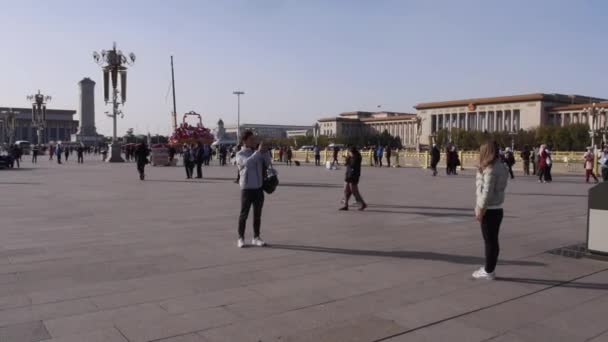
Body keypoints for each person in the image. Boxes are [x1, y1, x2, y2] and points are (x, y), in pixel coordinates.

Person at [473, 140, 509, 280]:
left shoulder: (490, 169)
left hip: (489, 209)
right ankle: (490, 269)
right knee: (493, 241)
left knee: (490, 242)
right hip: (498, 208)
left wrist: (480, 209)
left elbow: (486, 192)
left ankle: (488, 271)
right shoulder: (501, 166)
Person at [236, 130, 271, 248]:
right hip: (246, 189)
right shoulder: (240, 154)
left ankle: (256, 237)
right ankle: (241, 238)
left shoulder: (258, 153)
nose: (253, 141)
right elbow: (247, 163)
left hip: (258, 188)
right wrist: (258, 152)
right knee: (243, 214)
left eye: (254, 139)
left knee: (257, 215)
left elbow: (268, 163)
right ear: (244, 141)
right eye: (251, 139)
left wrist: (265, 152)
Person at [339, 146, 367, 211]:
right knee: (346, 190)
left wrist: (348, 159)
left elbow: (353, 165)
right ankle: (345, 205)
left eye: (349, 152)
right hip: (348, 175)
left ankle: (363, 204)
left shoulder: (357, 157)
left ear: (352, 152)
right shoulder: (351, 157)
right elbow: (346, 165)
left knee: (354, 191)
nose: (348, 153)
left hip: (353, 176)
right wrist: (347, 159)